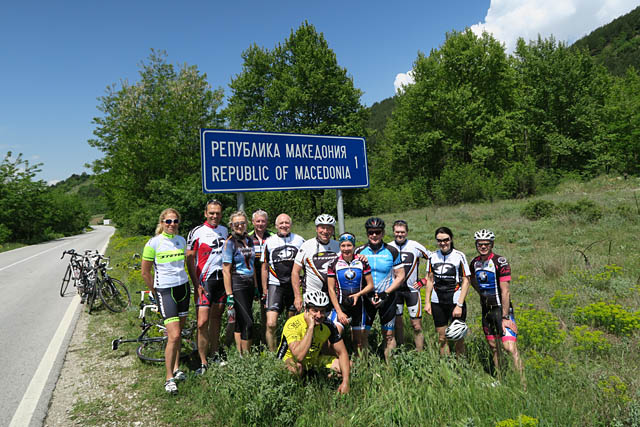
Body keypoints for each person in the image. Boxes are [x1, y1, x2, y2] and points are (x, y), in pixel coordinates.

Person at [141, 208, 190, 394]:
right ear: (162, 223)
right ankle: (169, 378)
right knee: (174, 335)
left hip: (183, 288)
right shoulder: (153, 243)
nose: (172, 224)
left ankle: (176, 368)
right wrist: (155, 292)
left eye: (175, 221)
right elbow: (145, 272)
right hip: (165, 291)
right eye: (168, 221)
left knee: (179, 333)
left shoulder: (181, 240)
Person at [469, 229, 524, 381]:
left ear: (492, 244)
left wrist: (505, 317)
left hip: (502, 310)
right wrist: (481, 293)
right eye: (480, 244)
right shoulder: (474, 263)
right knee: (494, 347)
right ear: (476, 245)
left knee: (509, 348)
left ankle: (523, 384)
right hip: (487, 311)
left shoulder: (500, 262)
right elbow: (472, 280)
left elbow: (505, 291)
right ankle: (501, 379)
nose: (483, 247)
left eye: (486, 244)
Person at [277, 290, 351, 394]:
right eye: (315, 310)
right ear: (306, 309)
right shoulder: (293, 323)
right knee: (296, 368)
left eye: (322, 311)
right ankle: (295, 392)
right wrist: (310, 327)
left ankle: (319, 381)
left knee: (348, 365)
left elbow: (342, 352)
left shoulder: (328, 325)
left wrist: (346, 382)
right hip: (289, 360)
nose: (319, 315)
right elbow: (298, 356)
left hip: (313, 360)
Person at [186, 200, 229, 374]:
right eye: (211, 213)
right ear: (205, 213)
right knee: (202, 322)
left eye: (217, 213)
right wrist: (196, 284)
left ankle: (214, 354)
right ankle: (203, 361)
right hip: (204, 282)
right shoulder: (197, 232)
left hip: (221, 281)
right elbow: (189, 259)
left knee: (216, 319)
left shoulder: (225, 230)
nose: (214, 216)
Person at [355, 217, 405, 361]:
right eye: (371, 232)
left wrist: (385, 293)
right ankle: (364, 366)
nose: (374, 235)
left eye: (377, 232)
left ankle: (390, 369)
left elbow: (400, 276)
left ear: (383, 233)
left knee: (389, 335)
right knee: (363, 335)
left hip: (387, 297)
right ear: (367, 233)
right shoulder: (359, 251)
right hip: (367, 297)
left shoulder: (392, 251)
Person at [261, 213, 305, 351]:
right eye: (281, 223)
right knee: (271, 323)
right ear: (276, 226)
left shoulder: (300, 240)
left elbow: (307, 263)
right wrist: (264, 290)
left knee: (291, 323)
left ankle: (290, 350)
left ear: (291, 224)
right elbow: (264, 267)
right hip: (275, 285)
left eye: (287, 223)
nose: (284, 225)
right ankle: (272, 354)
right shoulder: (269, 242)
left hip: (293, 286)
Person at [424, 226, 471, 356]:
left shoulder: (459, 256)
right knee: (441, 338)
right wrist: (427, 302)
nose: (443, 243)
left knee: (458, 337)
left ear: (451, 239)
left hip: (455, 300)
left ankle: (460, 364)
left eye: (446, 240)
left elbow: (466, 280)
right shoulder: (432, 256)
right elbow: (429, 279)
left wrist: (459, 305)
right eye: (439, 240)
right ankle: (446, 365)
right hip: (437, 301)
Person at [326, 232, 375, 353]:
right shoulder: (333, 263)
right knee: (332, 338)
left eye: (349, 245)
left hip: (359, 306)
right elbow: (331, 289)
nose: (346, 249)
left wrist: (358, 295)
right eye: (343, 245)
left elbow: (370, 285)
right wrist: (339, 312)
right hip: (341, 306)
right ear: (340, 246)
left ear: (353, 246)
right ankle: (337, 362)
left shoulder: (362, 262)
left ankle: (361, 364)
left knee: (358, 342)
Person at [388, 220, 431, 351]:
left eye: (402, 232)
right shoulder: (388, 247)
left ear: (407, 232)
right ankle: (402, 351)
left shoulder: (415, 246)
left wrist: (425, 280)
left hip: (412, 291)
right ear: (393, 232)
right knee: (398, 324)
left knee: (416, 325)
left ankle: (420, 354)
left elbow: (432, 258)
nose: (399, 234)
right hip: (395, 291)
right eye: (397, 232)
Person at [222, 211, 257, 355]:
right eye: (236, 224)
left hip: (249, 283)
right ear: (231, 225)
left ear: (247, 224)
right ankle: (247, 358)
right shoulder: (229, 242)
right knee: (248, 322)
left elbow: (252, 265)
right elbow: (226, 270)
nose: (240, 226)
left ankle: (240, 354)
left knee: (240, 321)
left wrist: (256, 286)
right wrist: (229, 294)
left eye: (242, 223)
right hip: (238, 284)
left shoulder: (249, 240)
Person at [291, 214, 340, 310]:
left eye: (329, 228)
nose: (325, 231)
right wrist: (297, 296)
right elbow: (295, 272)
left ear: (333, 230)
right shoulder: (307, 245)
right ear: (316, 229)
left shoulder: (338, 246)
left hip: (334, 294)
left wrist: (360, 257)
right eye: (322, 227)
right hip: (312, 295)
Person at [249, 210, 272, 343]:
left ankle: (265, 339)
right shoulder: (248, 237)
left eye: (263, 221)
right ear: (253, 222)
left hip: (267, 276)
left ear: (267, 222)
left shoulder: (272, 236)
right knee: (247, 308)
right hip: (250, 275)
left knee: (265, 308)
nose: (260, 224)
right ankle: (250, 338)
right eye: (258, 221)